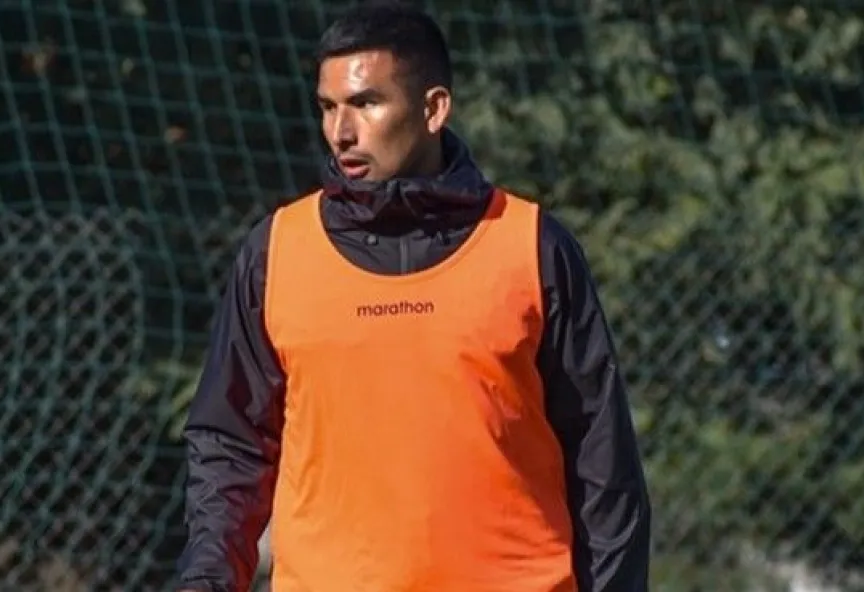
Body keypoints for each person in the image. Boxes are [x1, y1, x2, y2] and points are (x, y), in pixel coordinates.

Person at [174, 2, 650, 591]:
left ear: (433, 108)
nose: (340, 133)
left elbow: (602, 465)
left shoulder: (531, 246)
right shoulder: (276, 252)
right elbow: (231, 446)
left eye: (366, 103)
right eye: (328, 108)